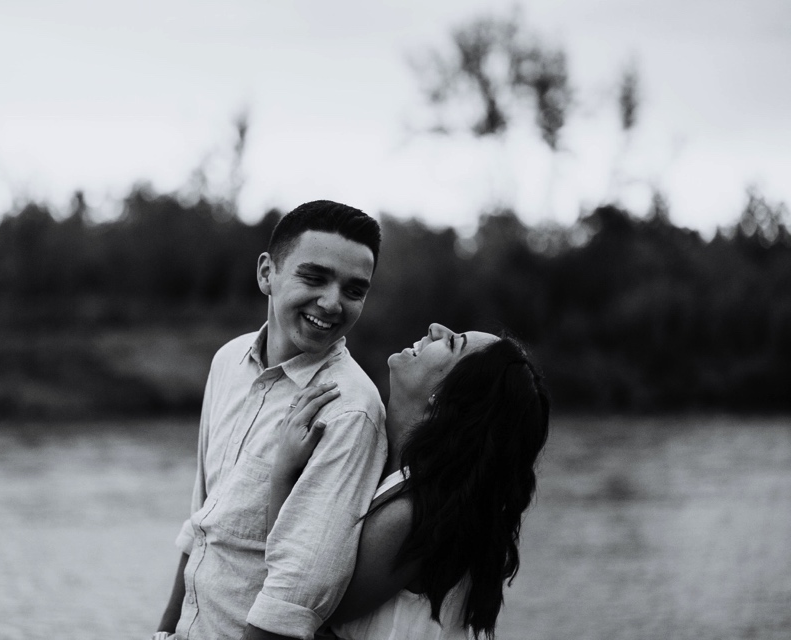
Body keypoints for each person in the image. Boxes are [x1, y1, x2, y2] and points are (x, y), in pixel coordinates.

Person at [156, 200, 388, 640]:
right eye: (315, 277)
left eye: (354, 290)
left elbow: (294, 598)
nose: (332, 303)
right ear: (267, 273)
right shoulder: (228, 360)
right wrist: (163, 633)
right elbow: (202, 523)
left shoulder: (350, 410)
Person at [270, 324, 550, 640]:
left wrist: (283, 472)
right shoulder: (407, 481)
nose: (435, 329)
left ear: (444, 399)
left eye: (453, 343)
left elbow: (300, 605)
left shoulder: (414, 513)